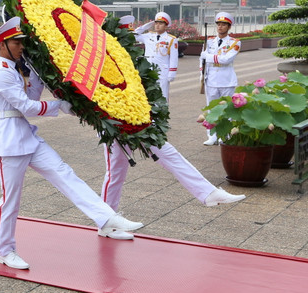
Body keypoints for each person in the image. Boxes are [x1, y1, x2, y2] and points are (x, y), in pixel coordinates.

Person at [0, 17, 143, 271]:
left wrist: (42, 77)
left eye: (21, 43)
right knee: (10, 200)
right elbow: (27, 107)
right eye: (16, 43)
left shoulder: (18, 69)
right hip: (8, 141)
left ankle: (107, 218)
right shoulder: (1, 73)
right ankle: (5, 251)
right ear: (2, 45)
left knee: (65, 174)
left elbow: (32, 96)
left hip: (27, 136)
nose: (21, 47)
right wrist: (59, 105)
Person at [101, 15, 245, 210]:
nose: (128, 37)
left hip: (135, 119)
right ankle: (105, 216)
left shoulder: (155, 45)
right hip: (117, 121)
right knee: (115, 172)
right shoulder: (111, 54)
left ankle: (208, 192)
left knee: (164, 154)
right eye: (122, 33)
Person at [201, 12, 241, 145]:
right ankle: (212, 135)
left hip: (226, 80)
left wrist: (209, 57)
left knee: (226, 109)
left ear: (229, 27)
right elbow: (202, 59)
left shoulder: (235, 42)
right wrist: (202, 74)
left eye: (224, 25)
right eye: (218, 24)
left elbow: (226, 59)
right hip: (211, 79)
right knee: (211, 108)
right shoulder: (209, 41)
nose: (220, 27)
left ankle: (224, 135)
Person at [134, 12, 179, 103]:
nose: (157, 26)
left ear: (166, 26)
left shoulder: (171, 39)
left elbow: (174, 58)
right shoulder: (148, 36)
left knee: (162, 95)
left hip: (162, 72)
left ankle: (162, 116)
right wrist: (145, 27)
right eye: (156, 23)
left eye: (161, 23)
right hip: (148, 71)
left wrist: (171, 74)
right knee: (148, 95)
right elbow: (133, 35)